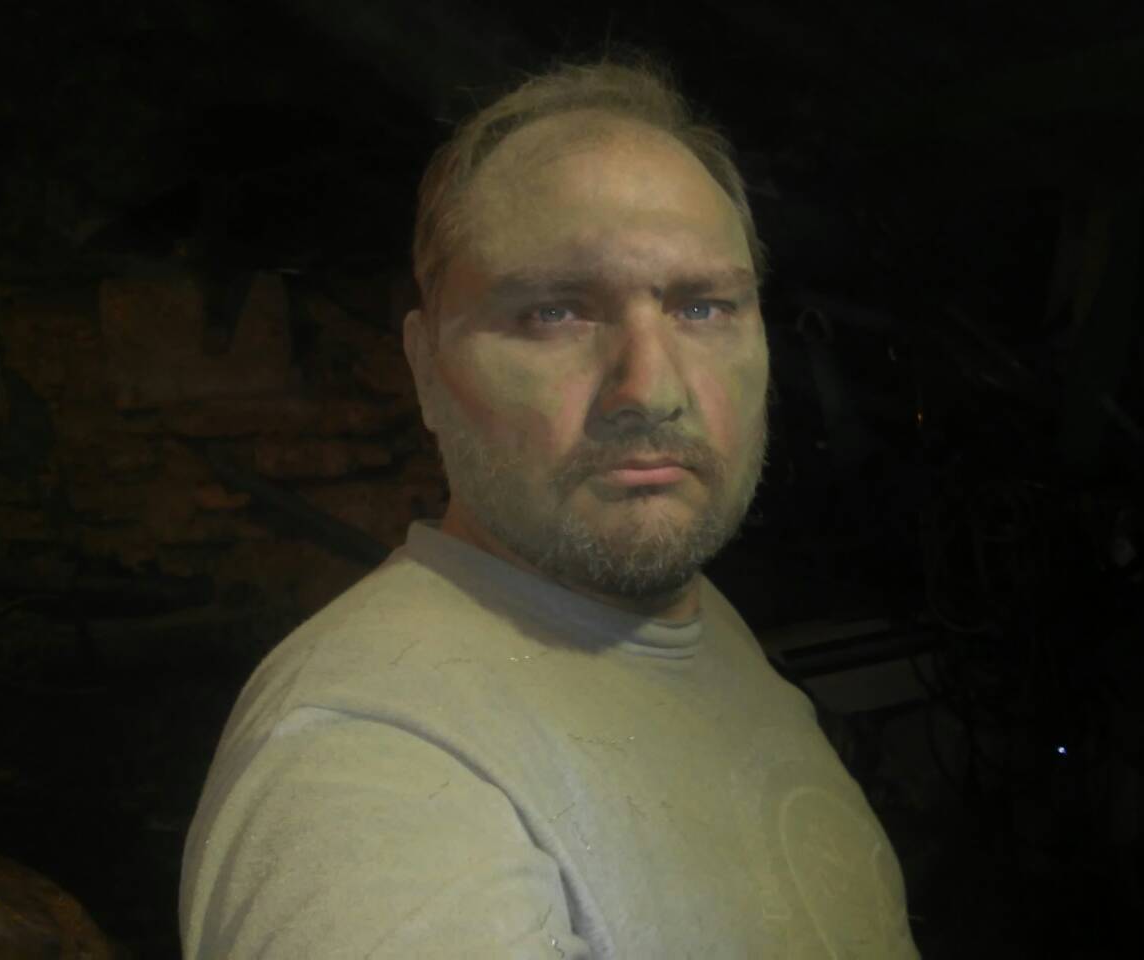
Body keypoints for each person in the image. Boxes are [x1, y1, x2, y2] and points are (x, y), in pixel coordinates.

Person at [180, 54, 919, 959]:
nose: (651, 391)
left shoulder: (685, 614)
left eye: (703, 308)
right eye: (555, 313)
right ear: (425, 370)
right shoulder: (364, 774)